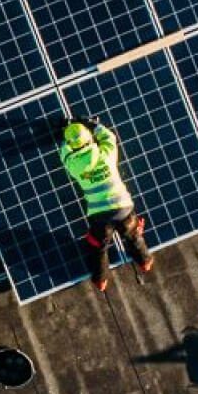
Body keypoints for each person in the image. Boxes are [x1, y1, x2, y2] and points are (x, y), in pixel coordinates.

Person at [59, 118, 152, 291]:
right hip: (123, 208)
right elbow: (109, 137)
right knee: (132, 236)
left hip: (100, 215)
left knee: (99, 247)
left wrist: (65, 137)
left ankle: (101, 281)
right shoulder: (106, 154)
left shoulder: (73, 165)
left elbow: (64, 152)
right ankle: (145, 261)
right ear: (89, 138)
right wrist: (93, 125)